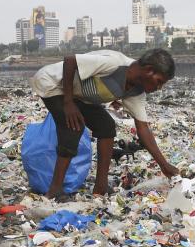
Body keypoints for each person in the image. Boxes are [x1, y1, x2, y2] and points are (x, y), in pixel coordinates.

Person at [29, 49, 179, 198]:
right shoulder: (114, 64)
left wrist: (164, 164)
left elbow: (143, 128)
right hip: (53, 84)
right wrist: (68, 102)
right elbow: (70, 61)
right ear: (149, 71)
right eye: (159, 82)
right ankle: (55, 189)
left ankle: (100, 187)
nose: (159, 88)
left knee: (106, 126)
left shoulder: (136, 92)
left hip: (77, 95)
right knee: (73, 126)